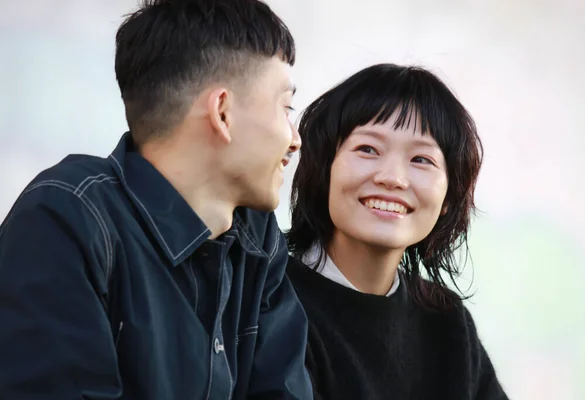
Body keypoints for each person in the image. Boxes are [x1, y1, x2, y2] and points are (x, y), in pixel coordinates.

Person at [0, 0, 313, 399]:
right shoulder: (67, 217)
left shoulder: (257, 237)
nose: (295, 139)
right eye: (285, 107)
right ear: (222, 113)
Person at [286, 63, 509, 400]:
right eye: (367, 149)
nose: (392, 178)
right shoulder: (272, 300)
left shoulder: (448, 323)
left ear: (449, 196)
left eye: (421, 160)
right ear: (323, 168)